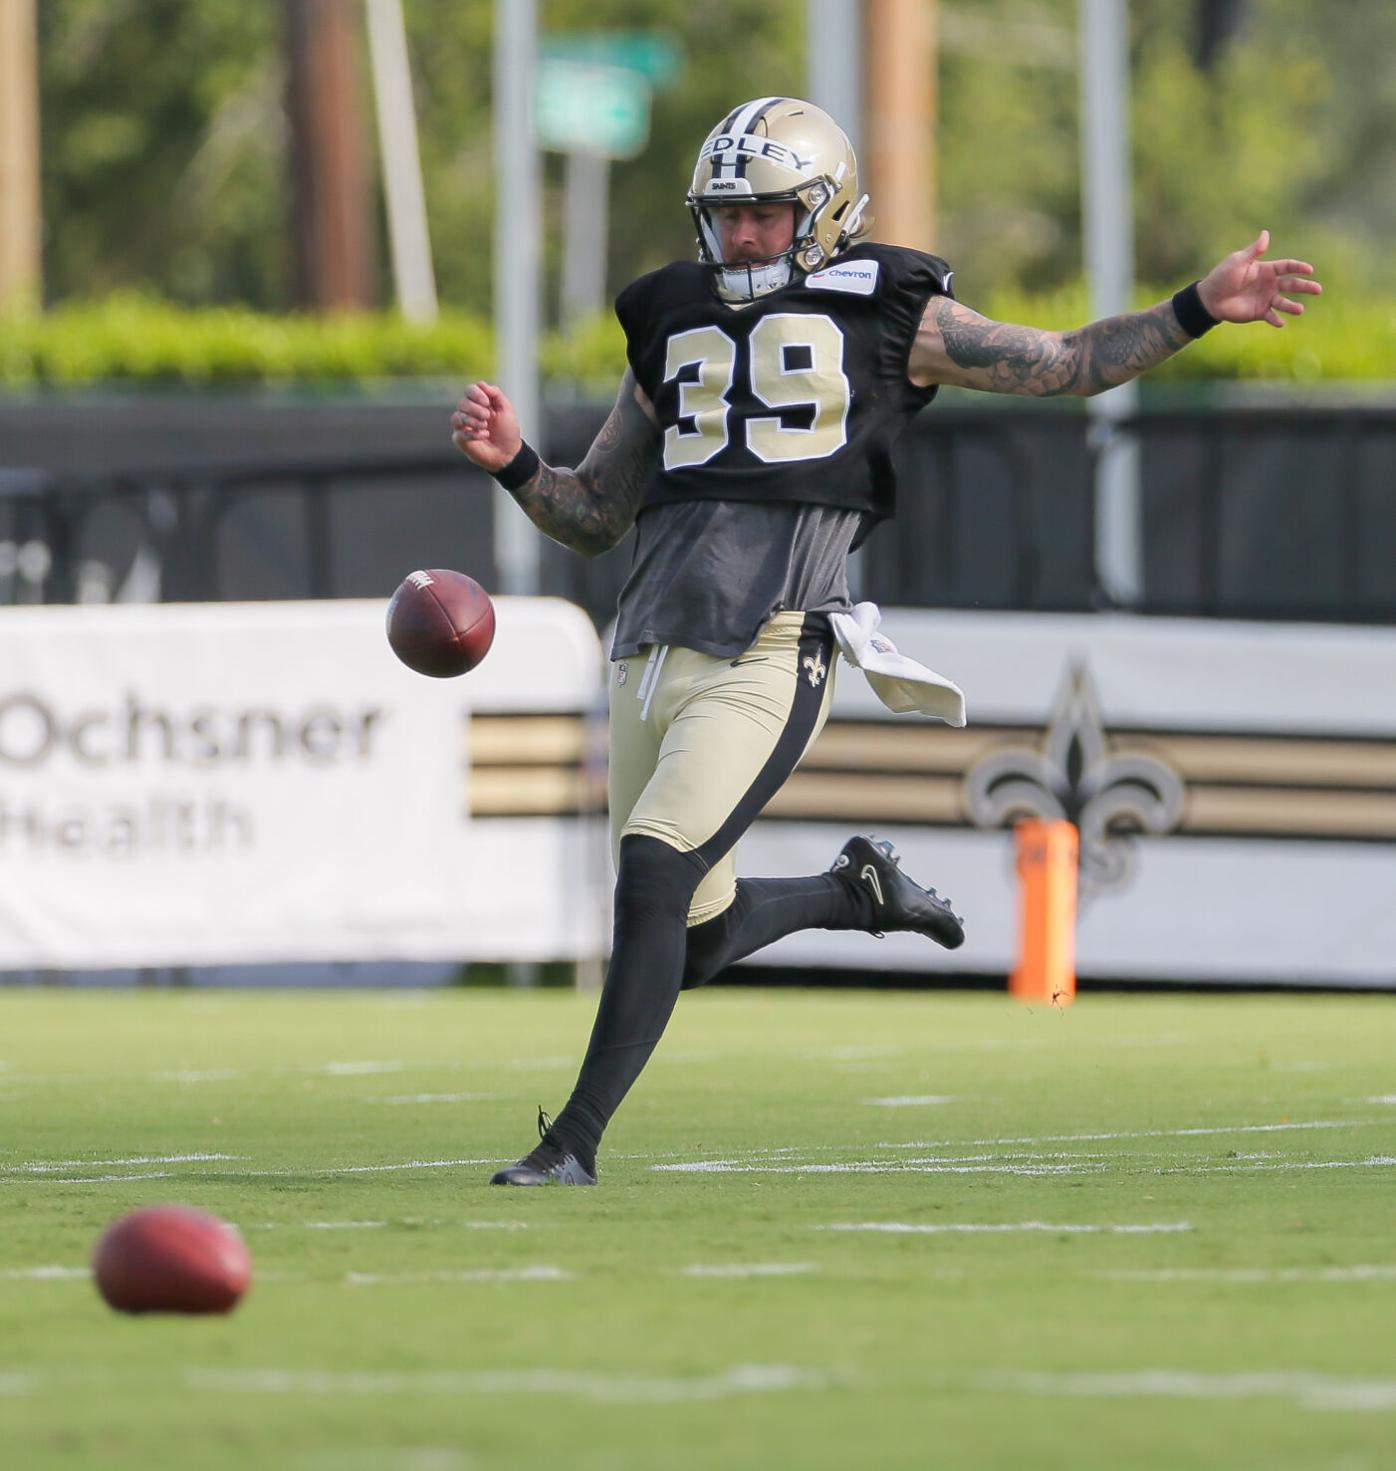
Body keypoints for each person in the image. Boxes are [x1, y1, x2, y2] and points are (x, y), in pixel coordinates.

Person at [452, 96, 1321, 1186]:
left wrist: (1196, 306)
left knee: (649, 878)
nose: (740, 237)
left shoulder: (888, 304)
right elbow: (591, 515)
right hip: (648, 648)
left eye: (765, 214)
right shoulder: (666, 312)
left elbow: (1065, 361)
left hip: (773, 640)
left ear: (822, 212)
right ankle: (853, 893)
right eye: (724, 215)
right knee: (693, 932)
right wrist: (516, 462)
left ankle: (569, 1143)